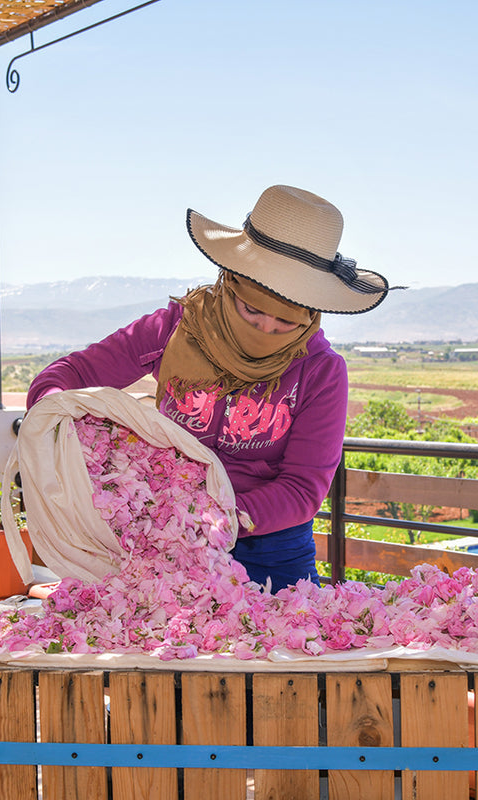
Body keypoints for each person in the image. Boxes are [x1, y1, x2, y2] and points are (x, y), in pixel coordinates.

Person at [26, 184, 391, 591]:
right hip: (167, 546)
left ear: (311, 313)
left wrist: (220, 518)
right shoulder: (173, 330)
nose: (266, 328)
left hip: (271, 553)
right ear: (230, 281)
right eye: (251, 310)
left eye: (286, 321)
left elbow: (302, 488)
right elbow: (69, 374)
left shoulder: (321, 372)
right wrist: (52, 413)